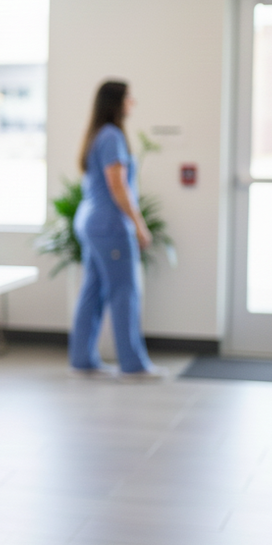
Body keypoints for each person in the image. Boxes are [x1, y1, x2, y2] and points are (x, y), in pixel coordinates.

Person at [68, 80, 163, 380]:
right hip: (109, 225)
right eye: (129, 98)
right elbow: (117, 185)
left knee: (93, 289)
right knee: (125, 292)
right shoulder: (112, 136)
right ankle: (133, 364)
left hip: (91, 221)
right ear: (117, 102)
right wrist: (138, 224)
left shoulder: (98, 134)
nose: (132, 102)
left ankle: (82, 359)